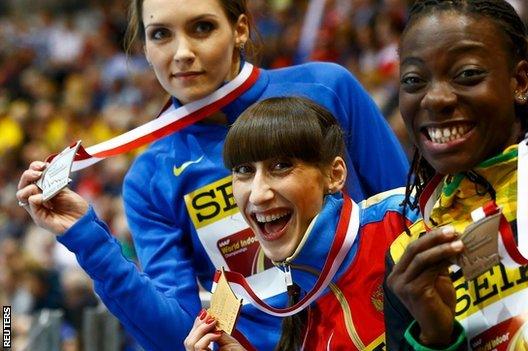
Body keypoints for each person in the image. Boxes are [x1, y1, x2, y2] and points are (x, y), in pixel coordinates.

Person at [16, 0, 409, 350]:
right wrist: (86, 238)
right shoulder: (151, 176)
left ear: (239, 29)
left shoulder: (327, 88)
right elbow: (178, 335)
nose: (183, 52)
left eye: (202, 27)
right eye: (161, 34)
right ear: (146, 49)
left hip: (382, 332)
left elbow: (413, 216)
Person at [383, 1, 528, 350]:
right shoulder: (411, 258)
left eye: (466, 74)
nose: (435, 99)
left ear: (520, 81)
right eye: (414, 80)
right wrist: (435, 337)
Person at [183, 97, 418, 350]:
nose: (258, 194)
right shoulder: (301, 320)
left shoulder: (403, 219)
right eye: (244, 170)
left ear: (334, 175)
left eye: (281, 166)